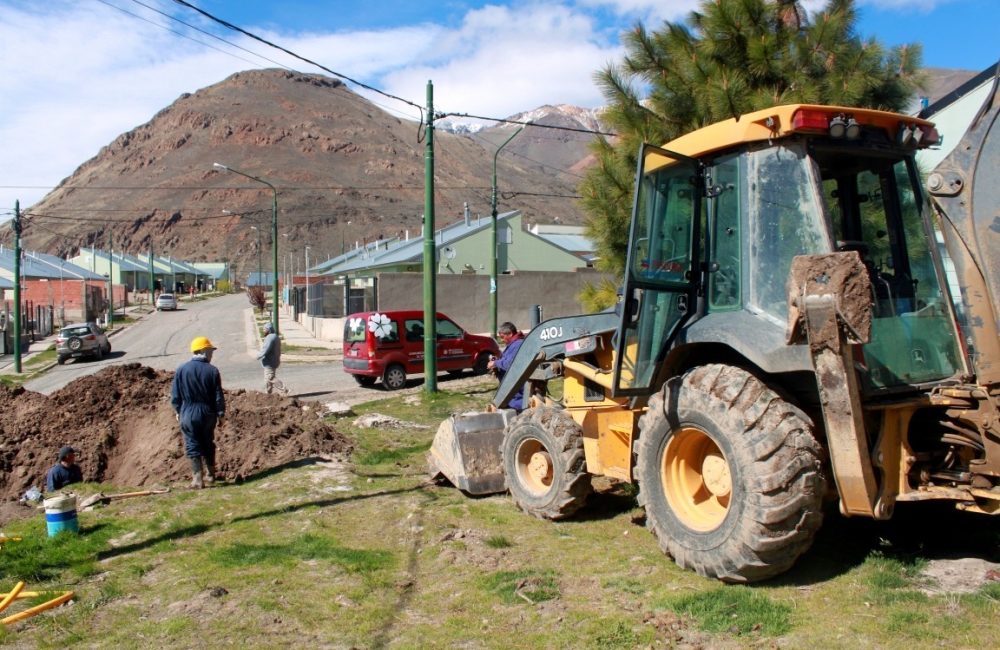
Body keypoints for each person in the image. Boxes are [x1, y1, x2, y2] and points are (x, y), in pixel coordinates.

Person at [171, 336, 226, 489]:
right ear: (202, 351)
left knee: (192, 443)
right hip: (208, 413)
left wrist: (178, 410)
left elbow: (175, 395)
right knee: (208, 442)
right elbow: (218, 396)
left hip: (188, 412)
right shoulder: (212, 370)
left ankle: (197, 480)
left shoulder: (181, 370)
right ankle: (210, 475)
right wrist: (221, 414)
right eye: (210, 351)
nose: (211, 354)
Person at [487, 321, 527, 411]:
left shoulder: (517, 345)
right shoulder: (513, 344)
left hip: (517, 394)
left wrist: (495, 363)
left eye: (502, 337)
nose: (501, 340)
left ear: (510, 334)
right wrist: (497, 361)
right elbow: (506, 359)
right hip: (513, 393)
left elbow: (510, 364)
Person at [257, 321, 289, 395]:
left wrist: (258, 355)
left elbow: (265, 349)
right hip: (274, 360)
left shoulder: (270, 338)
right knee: (267, 379)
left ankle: (284, 389)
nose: (263, 331)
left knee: (270, 377)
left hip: (270, 362)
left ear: (268, 329)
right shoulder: (275, 336)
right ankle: (268, 393)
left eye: (264, 329)